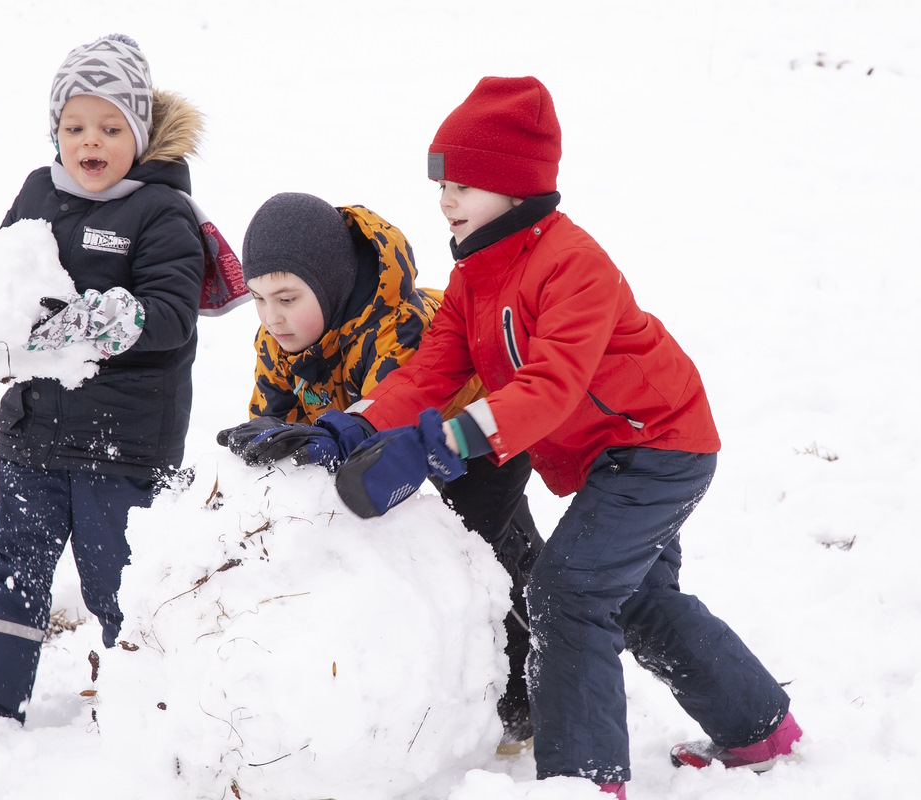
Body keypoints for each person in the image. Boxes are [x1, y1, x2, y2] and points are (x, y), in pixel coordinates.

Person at [325, 77, 802, 797]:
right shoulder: (475, 279)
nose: (445, 201)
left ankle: (583, 780)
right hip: (608, 458)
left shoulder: (573, 264)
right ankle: (758, 728)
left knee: (567, 590)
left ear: (515, 189)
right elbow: (428, 372)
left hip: (660, 445)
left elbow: (549, 389)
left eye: (462, 184)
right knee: (635, 600)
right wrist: (353, 427)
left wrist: (438, 445)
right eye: (441, 185)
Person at [0, 34, 248, 723]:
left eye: (109, 127)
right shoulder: (39, 192)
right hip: (34, 431)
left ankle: (149, 707)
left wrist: (103, 320)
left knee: (120, 579)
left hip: (123, 445)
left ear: (139, 132)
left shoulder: (161, 212)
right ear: (55, 131)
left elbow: (171, 315)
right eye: (74, 127)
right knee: (8, 568)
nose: (88, 141)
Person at [215, 191, 543, 751]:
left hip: (475, 450)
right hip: (388, 452)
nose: (272, 317)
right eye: (259, 299)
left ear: (332, 282)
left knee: (489, 563)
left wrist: (326, 442)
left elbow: (391, 427)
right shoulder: (279, 341)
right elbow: (275, 413)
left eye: (288, 298)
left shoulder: (399, 328)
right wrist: (266, 450)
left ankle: (531, 697)